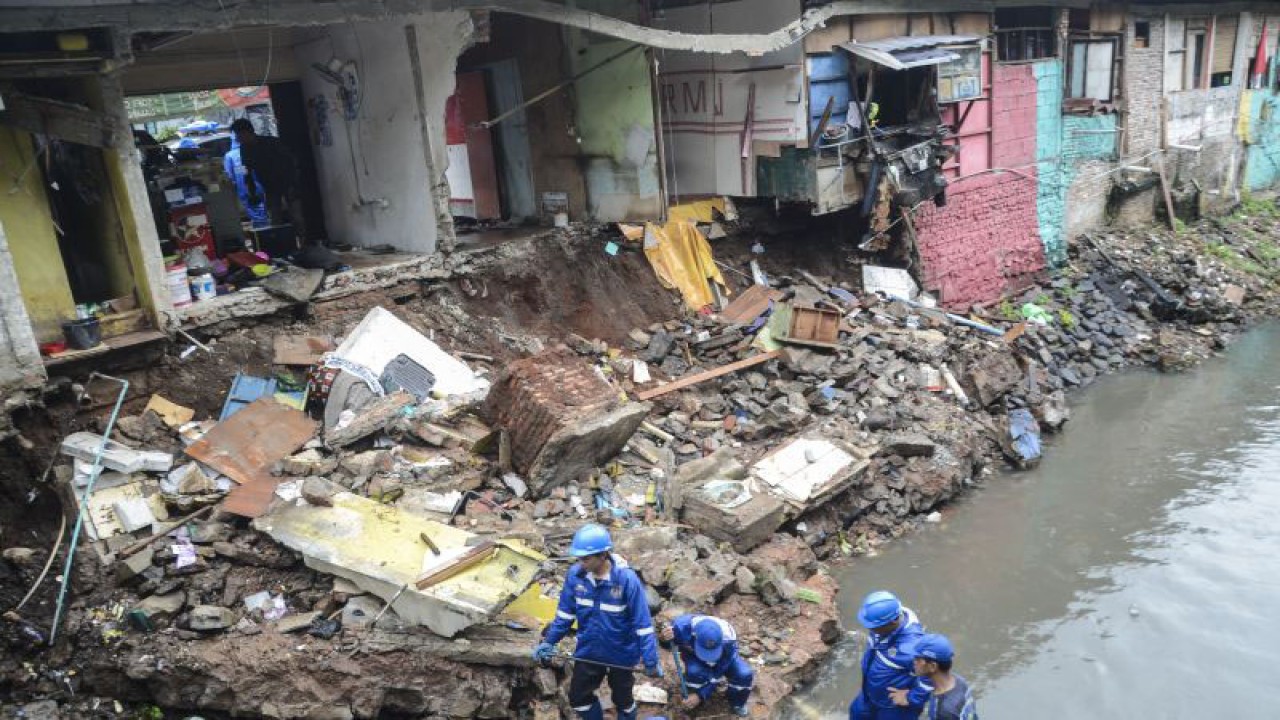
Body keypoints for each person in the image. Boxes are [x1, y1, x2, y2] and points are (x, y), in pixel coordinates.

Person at [532, 524, 662, 720]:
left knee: (623, 701)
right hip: (589, 651)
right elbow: (565, 616)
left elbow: (642, 625)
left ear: (603, 555)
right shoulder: (576, 577)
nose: (580, 562)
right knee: (578, 699)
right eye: (579, 557)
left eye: (586, 558)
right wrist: (549, 642)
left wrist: (651, 660)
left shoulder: (626, 580)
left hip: (622, 654)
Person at [848, 590, 933, 720]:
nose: (870, 629)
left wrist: (912, 697)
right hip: (870, 693)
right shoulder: (893, 615)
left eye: (874, 626)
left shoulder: (911, 648)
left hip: (894, 707)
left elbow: (932, 675)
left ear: (893, 622)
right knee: (856, 713)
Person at [659, 613, 753, 716]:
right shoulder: (680, 628)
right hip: (694, 657)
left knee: (744, 674)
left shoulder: (728, 638)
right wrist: (663, 639)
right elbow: (669, 646)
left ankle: (737, 703)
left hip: (723, 658)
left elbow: (719, 672)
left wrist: (701, 694)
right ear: (694, 635)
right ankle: (692, 697)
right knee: (695, 672)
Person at [229, 118, 303, 236]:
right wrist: (251, 193)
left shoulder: (272, 142)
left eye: (238, 135)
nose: (237, 139)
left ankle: (306, 245)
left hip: (288, 184)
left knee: (297, 217)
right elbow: (246, 171)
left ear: (246, 132)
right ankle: (283, 247)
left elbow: (291, 162)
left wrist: (295, 184)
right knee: (275, 219)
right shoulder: (244, 149)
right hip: (270, 188)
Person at [896, 634, 978, 720]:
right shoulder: (959, 681)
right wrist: (910, 696)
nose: (914, 661)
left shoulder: (943, 712)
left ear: (932, 666)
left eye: (918, 659)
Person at [222, 132, 270, 229]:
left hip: (245, 189)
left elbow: (229, 176)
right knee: (263, 212)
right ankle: (266, 232)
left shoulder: (229, 156)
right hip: (261, 186)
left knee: (257, 216)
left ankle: (263, 235)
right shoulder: (252, 150)